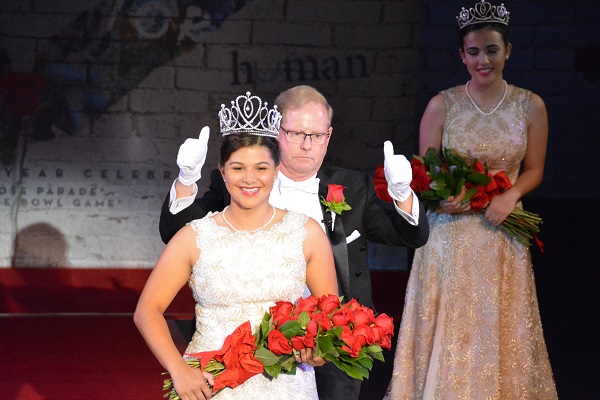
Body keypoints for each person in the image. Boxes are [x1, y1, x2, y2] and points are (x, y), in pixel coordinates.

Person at [159, 85, 430, 400]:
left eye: (316, 135)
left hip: (327, 342)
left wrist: (402, 193)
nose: (307, 145)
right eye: (296, 133)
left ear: (328, 136)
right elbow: (178, 232)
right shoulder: (241, 183)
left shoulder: (353, 188)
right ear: (276, 132)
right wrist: (185, 180)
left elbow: (409, 235)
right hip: (237, 348)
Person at [384, 1, 558, 399]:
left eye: (492, 50)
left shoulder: (530, 105)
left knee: (496, 326)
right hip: (451, 233)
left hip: (501, 230)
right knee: (453, 323)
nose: (484, 60)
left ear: (507, 51)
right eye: (474, 52)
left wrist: (511, 195)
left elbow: (534, 169)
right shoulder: (441, 105)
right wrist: (441, 199)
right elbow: (424, 175)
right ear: (462, 56)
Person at [134, 92, 339, 399]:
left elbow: (330, 317)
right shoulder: (195, 236)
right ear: (222, 171)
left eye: (261, 168)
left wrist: (320, 351)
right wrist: (179, 370)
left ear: (275, 170)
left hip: (287, 386)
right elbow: (147, 310)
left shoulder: (307, 234)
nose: (249, 179)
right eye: (238, 167)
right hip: (212, 384)